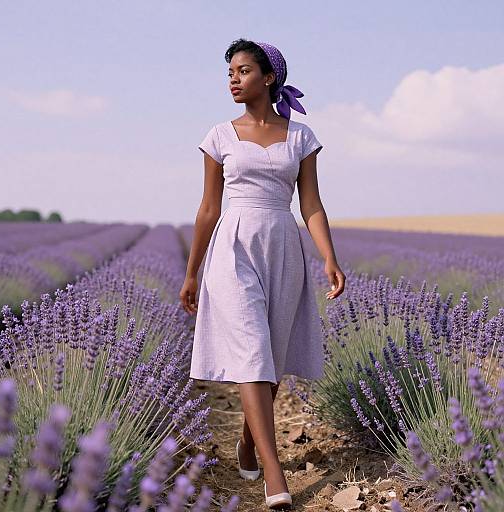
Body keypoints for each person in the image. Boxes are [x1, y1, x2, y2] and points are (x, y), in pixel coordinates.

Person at [180, 38, 346, 510]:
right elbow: (208, 209)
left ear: (269, 77)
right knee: (252, 350)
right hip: (232, 247)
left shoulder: (301, 137)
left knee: (269, 357)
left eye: (243, 70)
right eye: (230, 71)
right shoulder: (218, 136)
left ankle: (251, 443)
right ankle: (275, 474)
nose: (233, 78)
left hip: (284, 247)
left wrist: (329, 257)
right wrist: (191, 273)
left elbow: (310, 204)